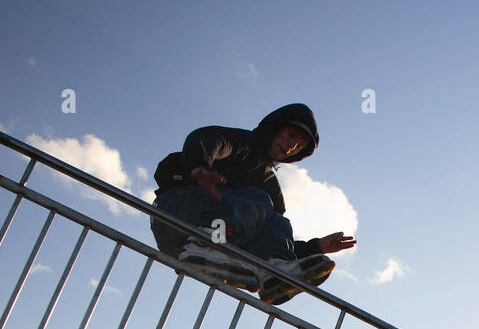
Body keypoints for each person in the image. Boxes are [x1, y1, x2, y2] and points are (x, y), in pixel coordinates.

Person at [149, 103, 355, 305]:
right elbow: (207, 140)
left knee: (276, 220)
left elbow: (271, 236)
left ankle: (274, 273)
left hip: (183, 246)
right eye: (291, 136)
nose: (292, 146)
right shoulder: (244, 144)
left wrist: (316, 246)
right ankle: (205, 243)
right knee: (259, 200)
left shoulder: (270, 188)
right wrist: (200, 167)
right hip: (176, 213)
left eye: (298, 145)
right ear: (276, 128)